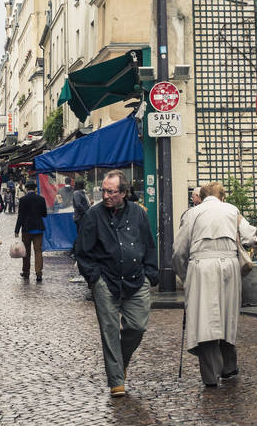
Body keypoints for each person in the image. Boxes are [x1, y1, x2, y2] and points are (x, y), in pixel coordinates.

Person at [74, 169, 158, 398]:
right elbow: (81, 250)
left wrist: (150, 274)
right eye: (104, 190)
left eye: (111, 191)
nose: (106, 195)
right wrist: (94, 278)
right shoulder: (93, 215)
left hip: (136, 279)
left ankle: (120, 363)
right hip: (106, 280)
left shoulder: (138, 214)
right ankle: (116, 380)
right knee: (109, 330)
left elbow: (149, 244)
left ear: (123, 192)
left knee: (137, 327)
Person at [171, 182, 257, 387]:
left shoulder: (192, 213)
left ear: (201, 196)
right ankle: (229, 367)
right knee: (228, 317)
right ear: (223, 197)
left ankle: (210, 375)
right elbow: (249, 236)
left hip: (201, 267)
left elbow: (178, 251)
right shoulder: (232, 210)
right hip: (229, 266)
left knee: (205, 321)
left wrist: (185, 277)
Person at [15, 180, 48, 281]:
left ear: (26, 188)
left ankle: (26, 272)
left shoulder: (23, 200)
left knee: (26, 251)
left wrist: (16, 230)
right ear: (35, 188)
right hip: (38, 228)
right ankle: (38, 273)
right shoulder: (41, 199)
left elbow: (20, 216)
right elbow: (44, 214)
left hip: (26, 229)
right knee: (38, 251)